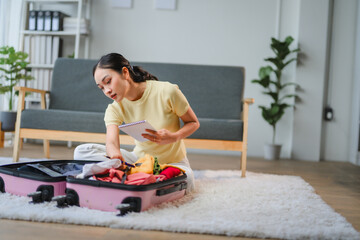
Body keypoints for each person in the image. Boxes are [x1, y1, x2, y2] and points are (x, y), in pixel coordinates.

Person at [73, 53, 200, 193]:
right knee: (81, 151)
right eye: (101, 88)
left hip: (173, 163)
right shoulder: (115, 108)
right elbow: (111, 143)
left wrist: (174, 137)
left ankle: (138, 178)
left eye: (108, 81)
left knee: (187, 179)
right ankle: (141, 176)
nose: (107, 91)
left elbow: (193, 122)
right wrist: (116, 158)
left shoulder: (167, 91)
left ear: (125, 72)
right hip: (138, 161)